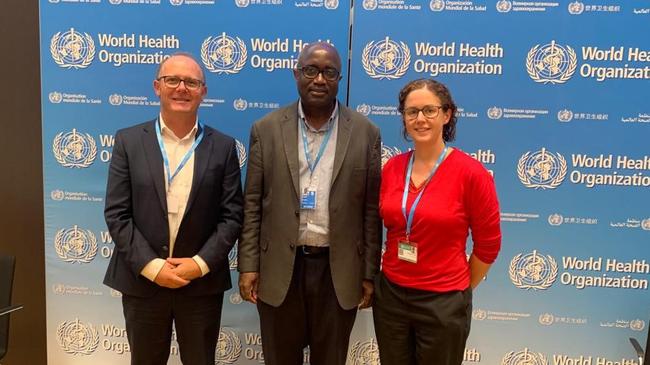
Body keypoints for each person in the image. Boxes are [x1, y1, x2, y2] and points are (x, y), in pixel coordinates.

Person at [237, 42, 382, 365]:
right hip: (279, 269)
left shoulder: (364, 133)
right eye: (311, 70)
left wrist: (370, 272)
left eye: (329, 72)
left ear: (339, 78)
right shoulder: (267, 128)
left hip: (338, 272)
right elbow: (253, 203)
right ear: (296, 74)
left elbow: (371, 212)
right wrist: (248, 265)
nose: (319, 79)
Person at [103, 53, 244, 365]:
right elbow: (117, 213)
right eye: (173, 80)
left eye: (192, 82)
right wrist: (153, 267)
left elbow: (232, 215)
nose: (182, 88)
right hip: (143, 282)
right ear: (157, 86)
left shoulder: (222, 147)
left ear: (203, 91)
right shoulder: (128, 141)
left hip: (200, 284)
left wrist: (199, 263)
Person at [373, 79, 501, 365]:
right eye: (411, 112)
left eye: (429, 110)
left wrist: (457, 288)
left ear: (447, 114)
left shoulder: (472, 174)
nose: (420, 119)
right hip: (391, 297)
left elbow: (488, 246)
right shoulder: (392, 168)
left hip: (442, 303)